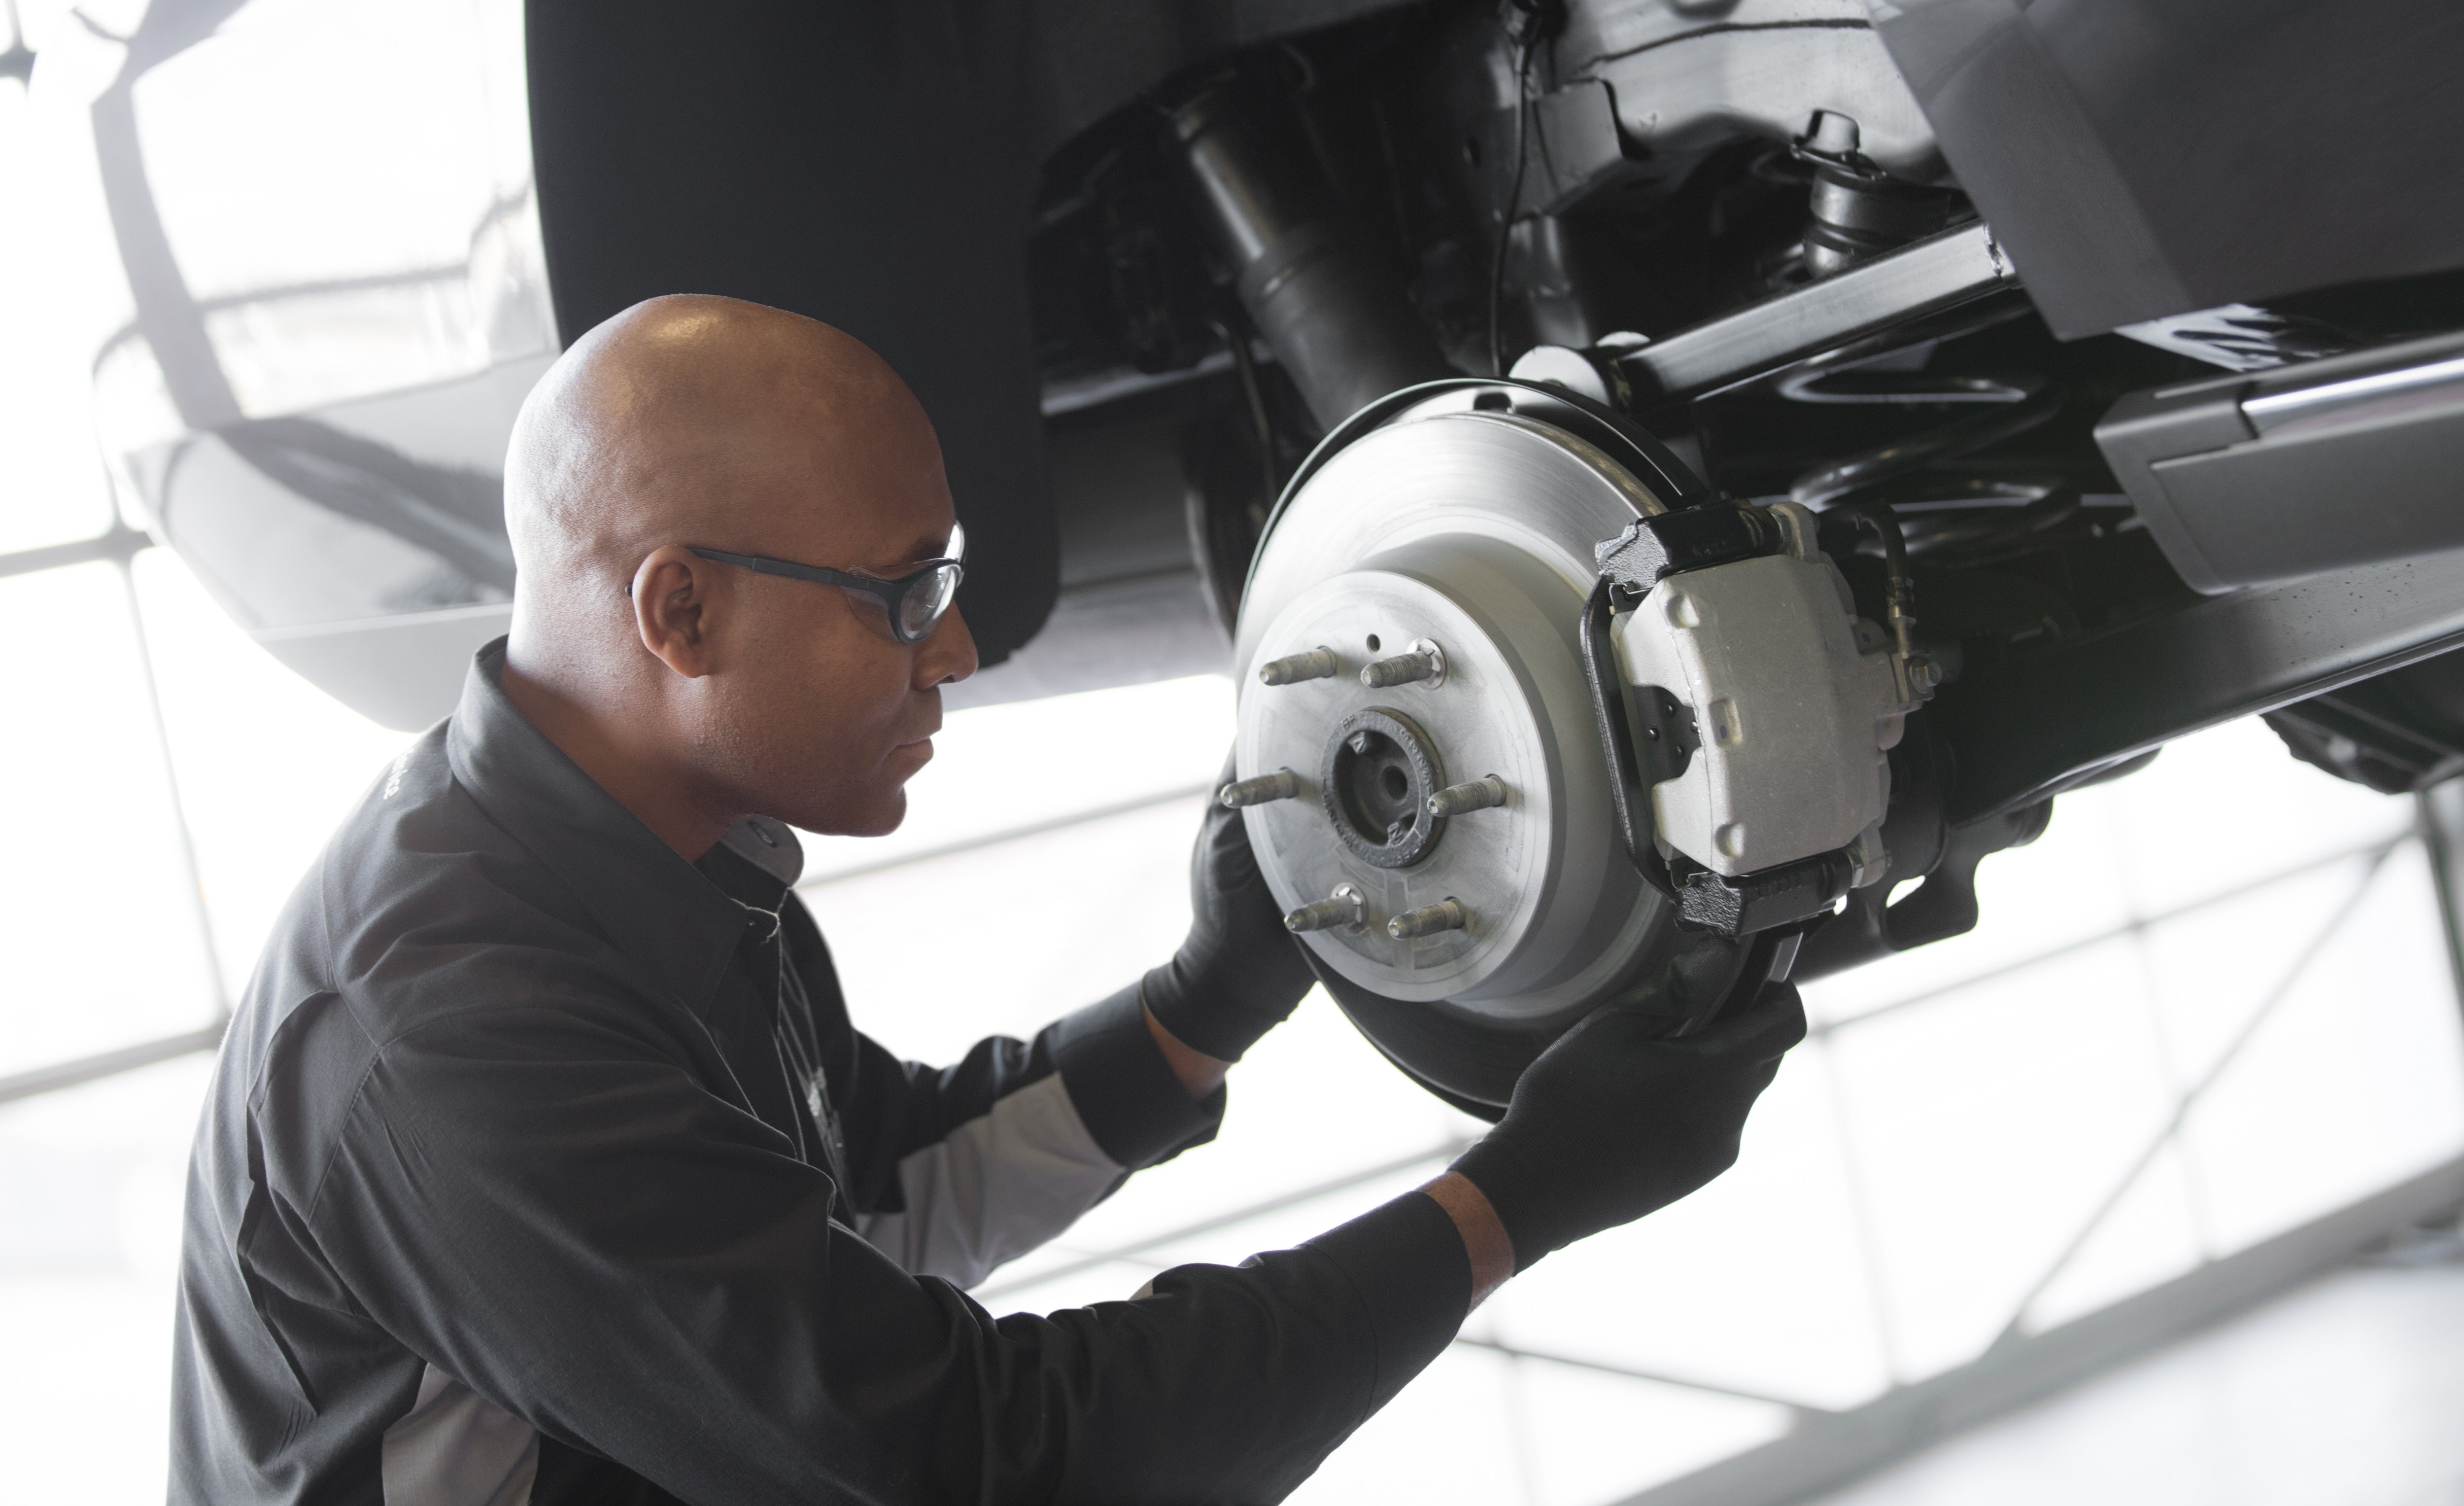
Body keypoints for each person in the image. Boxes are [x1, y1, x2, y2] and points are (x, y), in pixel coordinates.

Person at [169, 294, 1805, 1504]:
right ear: (680, 609)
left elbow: (876, 1195)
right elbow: (981, 1464)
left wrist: (1206, 998)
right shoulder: (447, 1036)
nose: (955, 650)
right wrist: (1520, 1192)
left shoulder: (674, 863)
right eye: (909, 593)